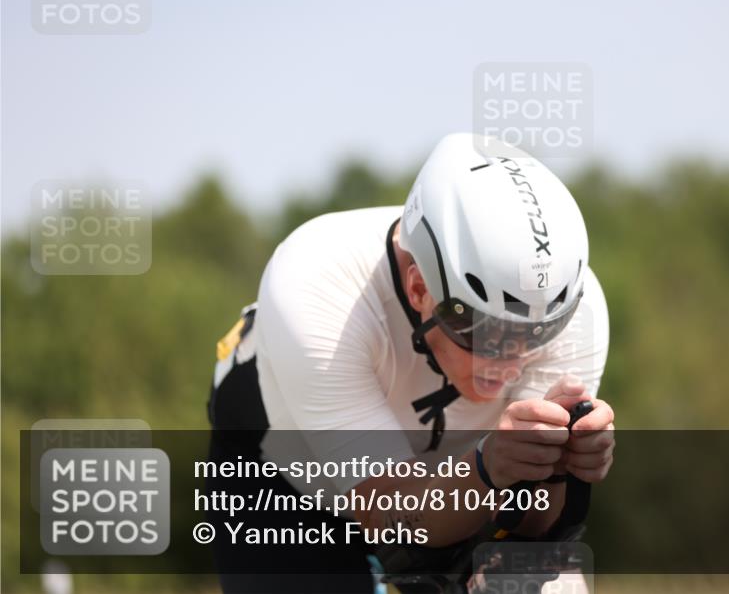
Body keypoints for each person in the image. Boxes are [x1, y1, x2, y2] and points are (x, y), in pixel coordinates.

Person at [205, 133, 614, 593]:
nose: (511, 362)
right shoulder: (316, 281)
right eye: (484, 332)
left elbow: (531, 532)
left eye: (537, 334)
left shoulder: (580, 309)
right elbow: (391, 520)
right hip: (290, 480)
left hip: (459, 482)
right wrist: (488, 468)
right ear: (420, 289)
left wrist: (560, 469)